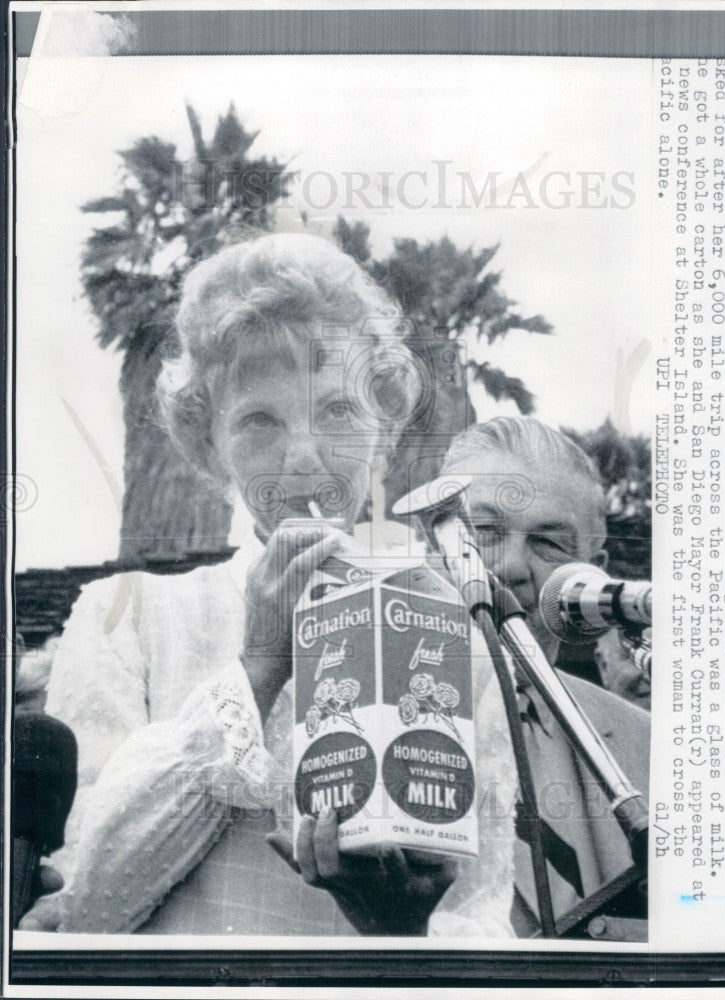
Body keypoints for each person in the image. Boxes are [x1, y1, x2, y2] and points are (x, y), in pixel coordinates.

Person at [20, 233, 516, 937]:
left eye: (338, 412)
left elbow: (486, 923)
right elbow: (86, 906)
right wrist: (259, 664)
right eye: (259, 421)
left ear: (382, 429)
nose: (304, 454)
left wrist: (402, 927)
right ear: (210, 447)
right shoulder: (125, 616)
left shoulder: (456, 639)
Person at [439, 416, 650, 938]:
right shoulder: (361, 719)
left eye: (548, 543)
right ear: (431, 546)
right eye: (482, 534)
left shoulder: (652, 747)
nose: (510, 568)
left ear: (590, 570)